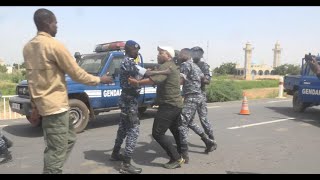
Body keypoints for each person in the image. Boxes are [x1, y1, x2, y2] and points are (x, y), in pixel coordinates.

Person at [23, 8, 113, 174]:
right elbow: (76, 73)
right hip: (55, 108)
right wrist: (100, 80)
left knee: (69, 139)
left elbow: (32, 80)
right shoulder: (54, 45)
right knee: (56, 150)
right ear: (47, 23)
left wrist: (34, 105)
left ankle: (52, 167)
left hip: (51, 107)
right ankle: (52, 170)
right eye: (55, 23)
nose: (57, 26)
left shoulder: (28, 47)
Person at [128, 46, 185, 169]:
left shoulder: (165, 66)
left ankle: (176, 158)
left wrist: (137, 82)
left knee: (158, 133)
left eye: (161, 53)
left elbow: (154, 80)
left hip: (169, 105)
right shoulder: (172, 65)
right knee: (175, 130)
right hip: (175, 104)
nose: (158, 55)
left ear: (168, 56)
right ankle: (183, 154)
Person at [110, 40, 145, 174]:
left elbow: (141, 72)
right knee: (134, 130)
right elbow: (144, 73)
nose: (137, 52)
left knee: (123, 128)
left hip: (126, 99)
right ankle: (126, 164)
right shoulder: (129, 61)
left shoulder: (127, 61)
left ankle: (115, 153)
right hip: (130, 101)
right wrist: (164, 71)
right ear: (130, 49)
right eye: (135, 50)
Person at [177, 48, 215, 164]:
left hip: (195, 95)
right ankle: (208, 141)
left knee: (186, 121)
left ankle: (184, 153)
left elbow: (180, 81)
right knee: (190, 122)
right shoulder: (195, 65)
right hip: (196, 95)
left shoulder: (201, 65)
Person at [188, 46, 217, 152]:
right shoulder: (188, 65)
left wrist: (196, 75)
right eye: (193, 52)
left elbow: (207, 81)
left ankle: (212, 140)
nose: (195, 54)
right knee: (187, 120)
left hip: (200, 95)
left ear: (201, 54)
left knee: (203, 119)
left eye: (197, 52)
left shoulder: (204, 66)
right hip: (190, 96)